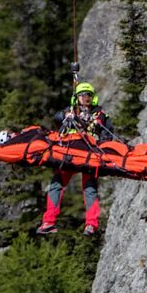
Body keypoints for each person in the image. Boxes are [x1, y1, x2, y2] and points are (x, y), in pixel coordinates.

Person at [36, 82, 109, 236]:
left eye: (88, 95)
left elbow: (107, 134)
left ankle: (91, 224)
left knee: (90, 189)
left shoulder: (100, 114)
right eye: (82, 95)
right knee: (56, 184)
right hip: (69, 153)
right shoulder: (70, 112)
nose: (85, 98)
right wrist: (66, 116)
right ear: (77, 98)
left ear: (92, 97)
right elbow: (57, 118)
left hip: (89, 154)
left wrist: (93, 124)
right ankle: (48, 222)